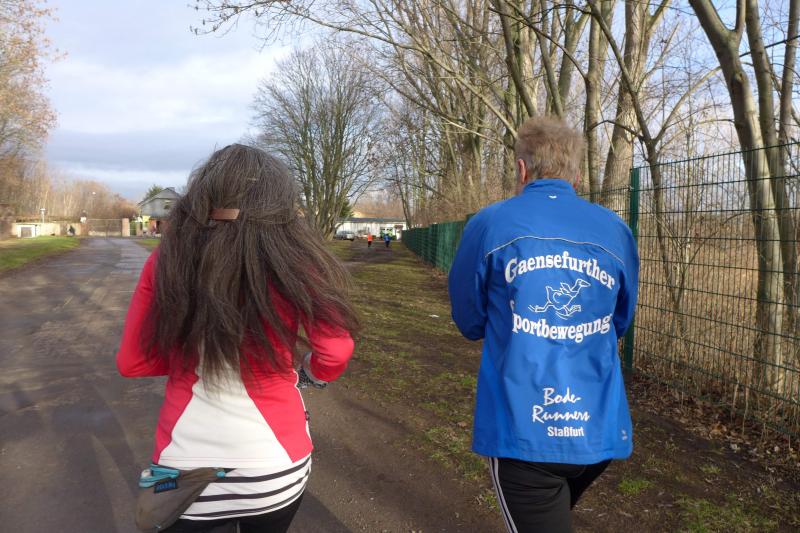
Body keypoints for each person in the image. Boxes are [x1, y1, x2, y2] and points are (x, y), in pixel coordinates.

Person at [117, 144, 358, 532]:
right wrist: (310, 372)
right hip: (277, 463)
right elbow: (335, 349)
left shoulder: (166, 259)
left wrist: (189, 358)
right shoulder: (298, 262)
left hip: (183, 465)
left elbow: (133, 362)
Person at [448, 117, 639, 533]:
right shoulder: (616, 230)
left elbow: (469, 320)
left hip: (524, 432)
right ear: (576, 175)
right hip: (597, 430)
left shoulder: (489, 223)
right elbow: (620, 321)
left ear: (521, 169)